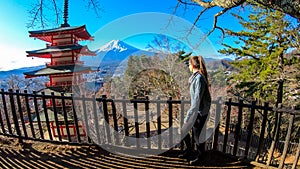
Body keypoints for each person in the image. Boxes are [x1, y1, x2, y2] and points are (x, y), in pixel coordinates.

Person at [179, 56, 211, 165]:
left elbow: (197, 100)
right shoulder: (195, 77)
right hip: (197, 111)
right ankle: (189, 150)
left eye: (188, 64)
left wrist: (188, 116)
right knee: (184, 131)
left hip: (200, 112)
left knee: (197, 136)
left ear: (192, 65)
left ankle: (201, 158)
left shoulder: (199, 78)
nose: (188, 66)